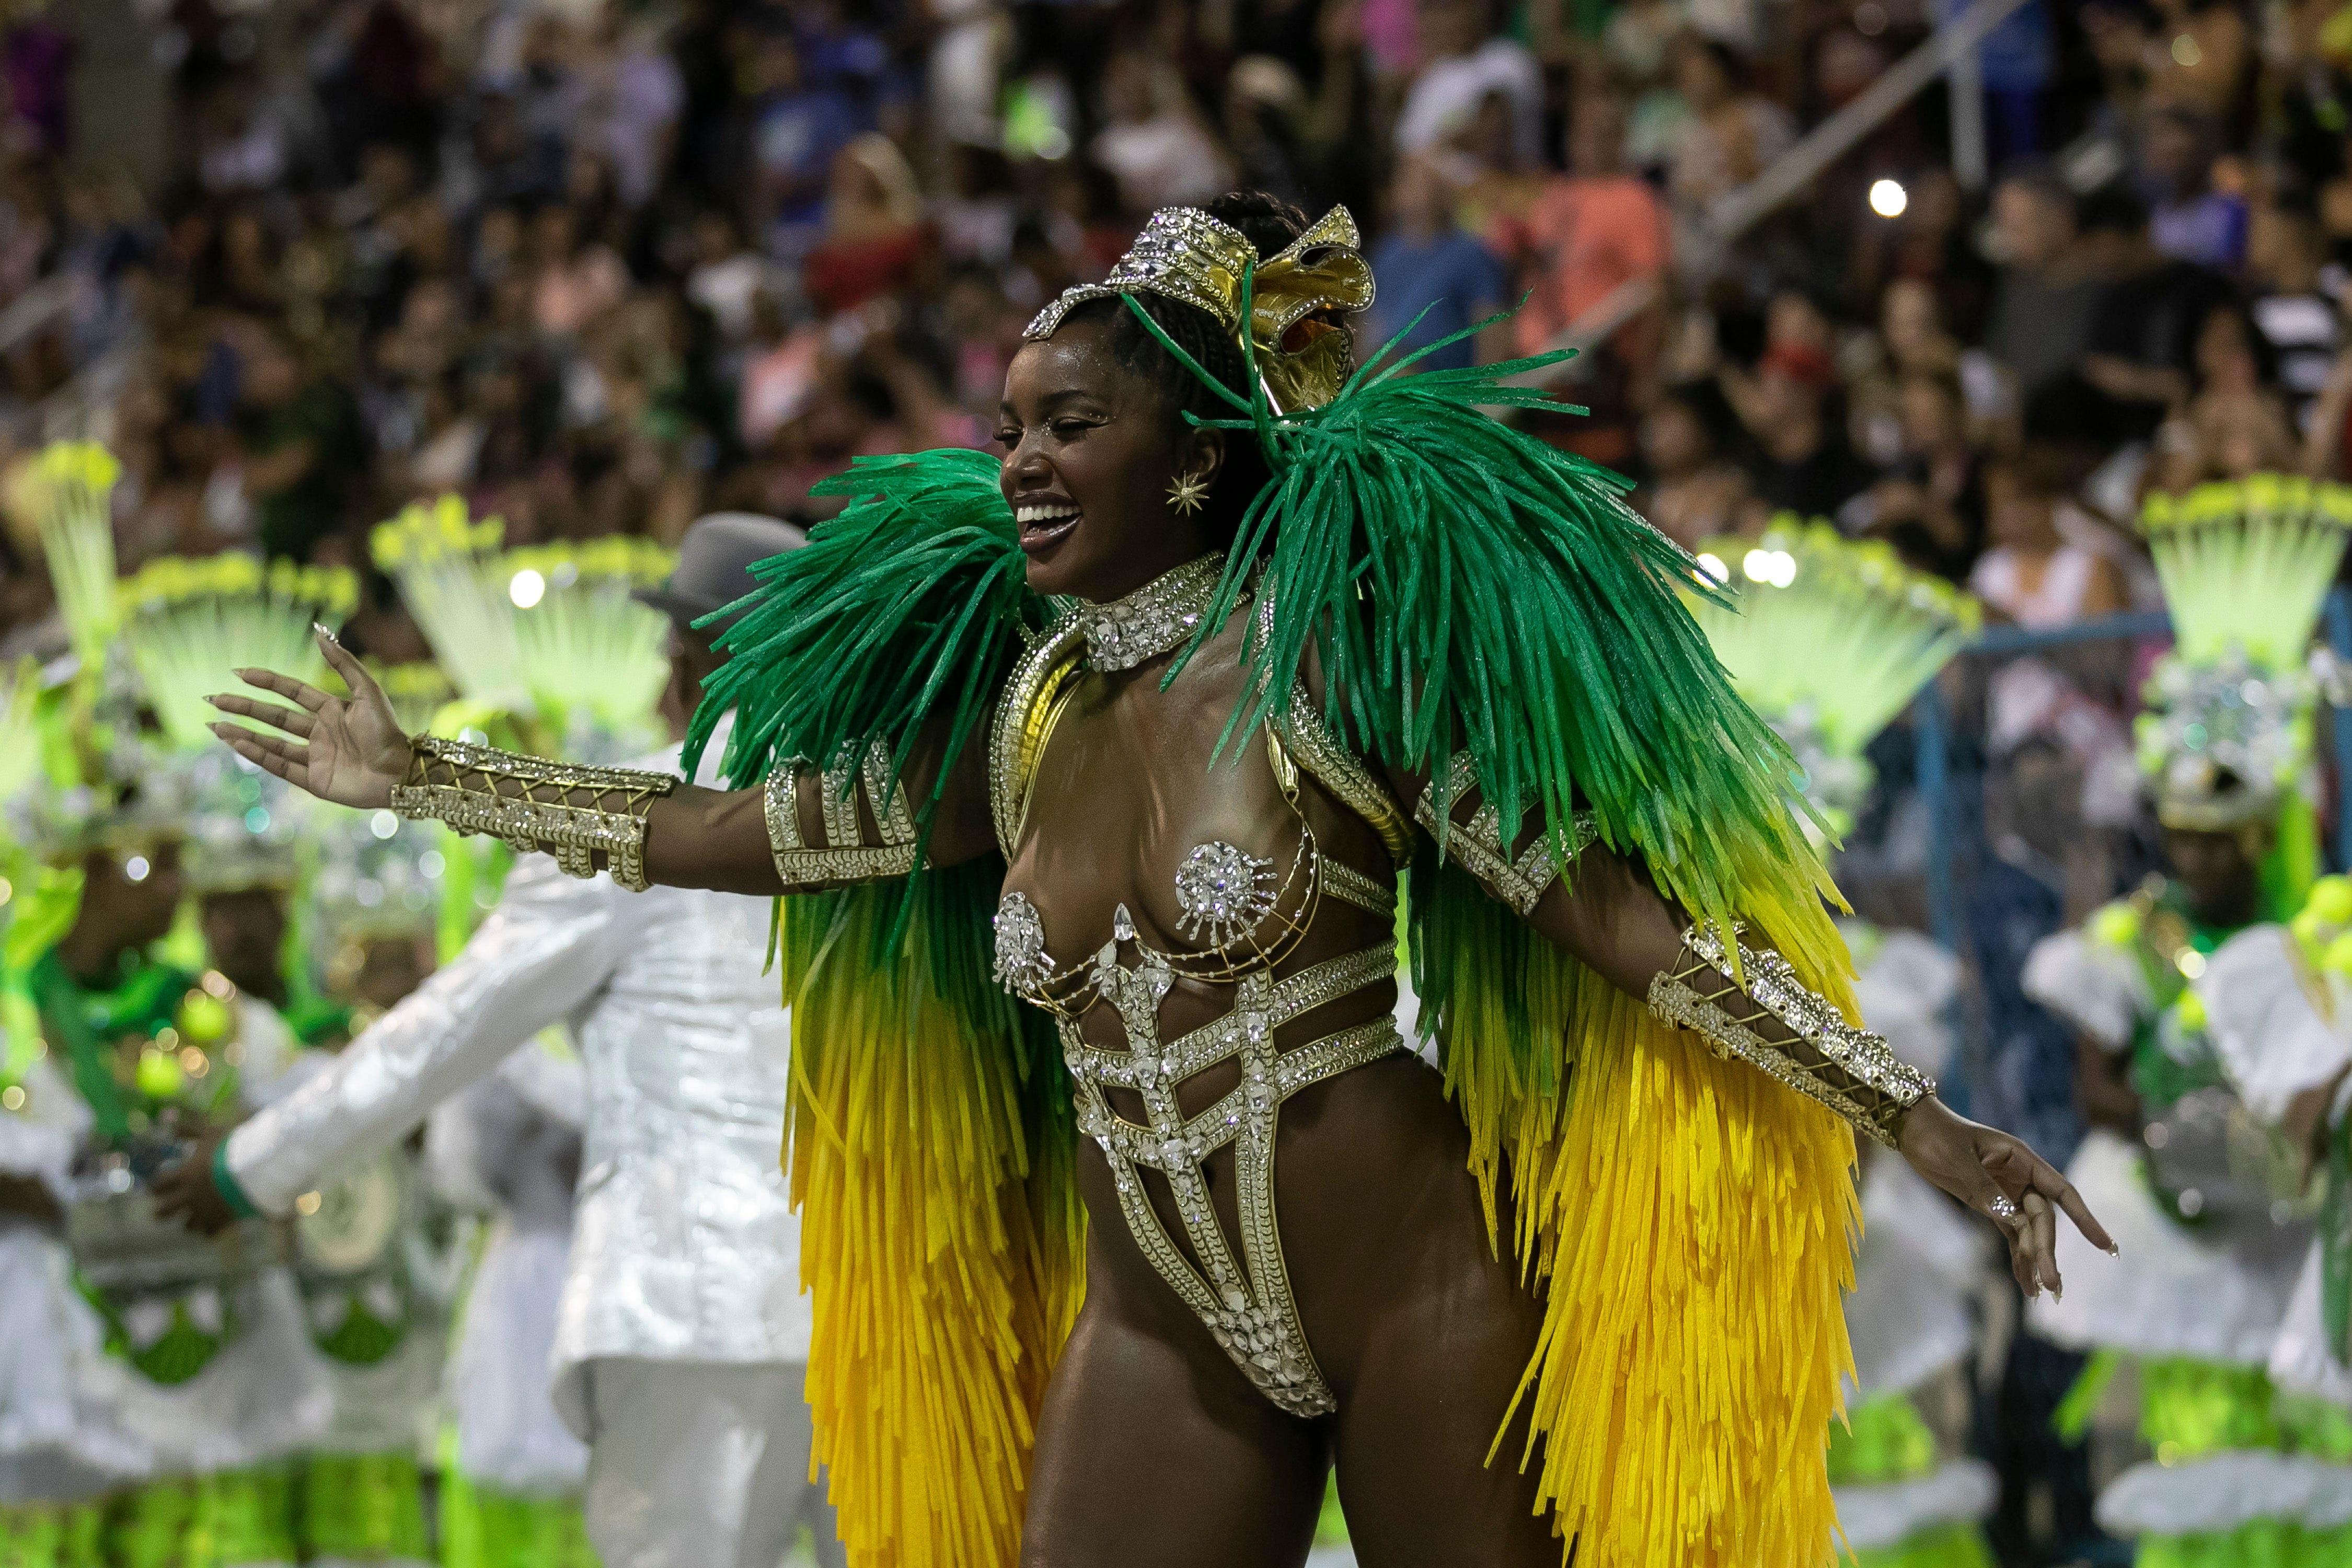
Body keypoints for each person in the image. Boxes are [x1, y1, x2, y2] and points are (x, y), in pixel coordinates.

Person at [201, 191, 2105, 1567]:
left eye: (1069, 427)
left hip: (1414, 1296)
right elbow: (740, 836)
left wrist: (1911, 1112)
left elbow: (1617, 924)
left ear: (1195, 454)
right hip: (1164, 1330)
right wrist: (426, 780)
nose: (1020, 466)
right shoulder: (1020, 715)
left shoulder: (1327, 673)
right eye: (1007, 429)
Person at [158, 512, 846, 1568]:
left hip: (689, 1304)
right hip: (882, 1302)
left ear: (689, 665)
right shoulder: (876, 815)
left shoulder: (629, 818)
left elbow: (445, 1031)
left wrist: (250, 1168)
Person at [2023, 473, 2346, 1557]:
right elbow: (2096, 1086)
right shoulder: (2130, 943)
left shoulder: (2325, 942)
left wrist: (2285, 1147)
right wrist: (2196, 1143)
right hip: (2185, 1233)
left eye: (2223, 836)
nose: (2199, 856)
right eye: (2183, 835)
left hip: (2300, 1241)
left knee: (2321, 1459)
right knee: (2203, 1453)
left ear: (2266, 830)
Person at [1684, 522, 1998, 1565]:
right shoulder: (1676, 961)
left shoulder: (1871, 977)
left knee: (1855, 1492)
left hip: (1831, 1272)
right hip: (1699, 1277)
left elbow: (1862, 1151)